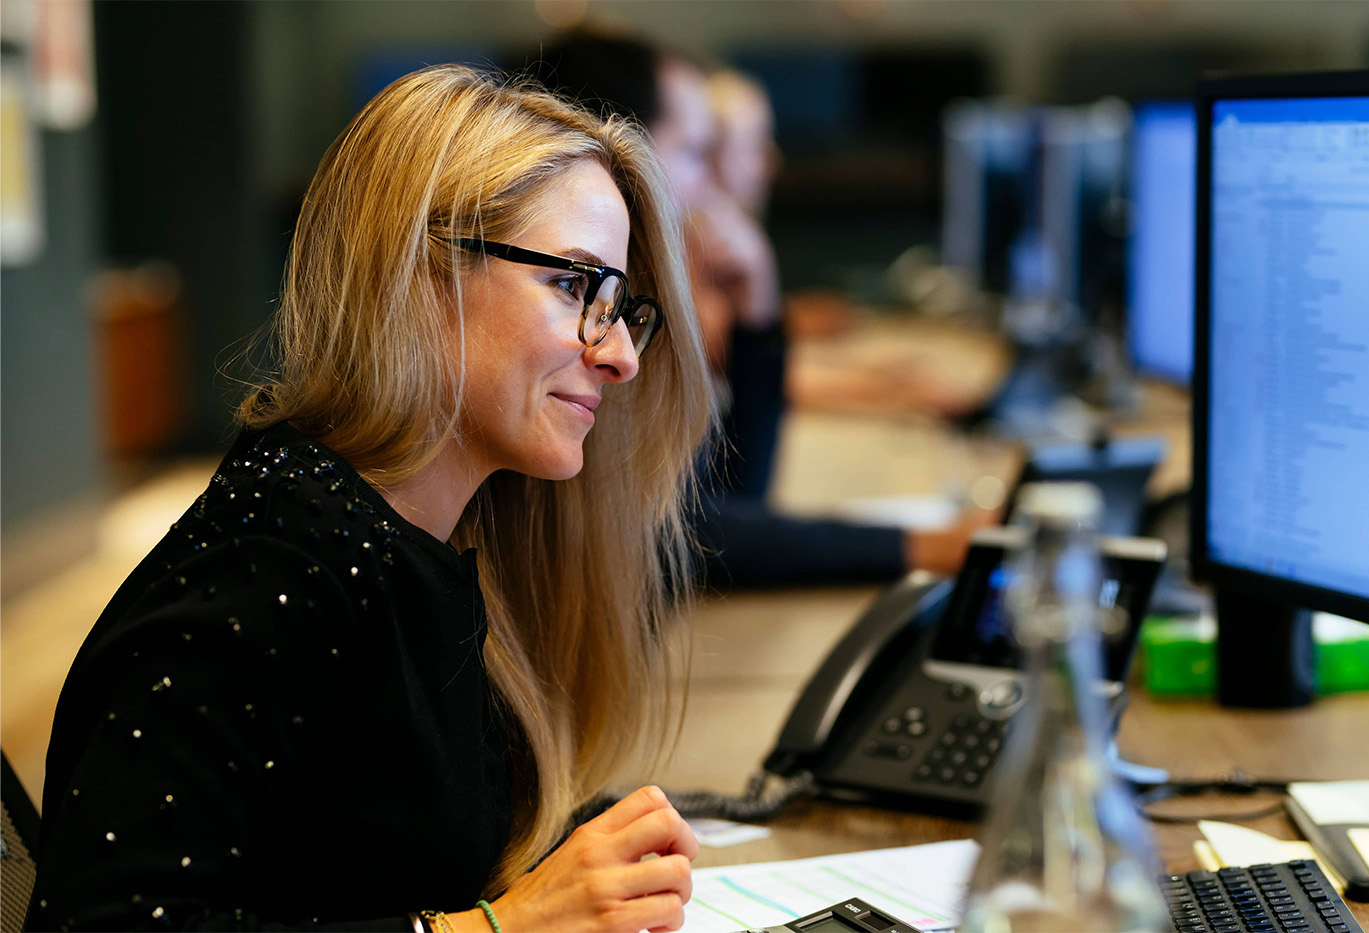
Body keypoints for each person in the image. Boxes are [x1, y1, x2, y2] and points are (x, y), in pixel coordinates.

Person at [27, 65, 714, 933]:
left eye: (620, 305)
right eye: (575, 286)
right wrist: (496, 928)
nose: (623, 356)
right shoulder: (276, 559)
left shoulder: (433, 540)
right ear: (418, 274)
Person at [533, 30, 997, 588]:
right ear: (609, 152)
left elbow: (733, 491)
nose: (716, 182)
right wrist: (916, 546)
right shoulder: (582, 327)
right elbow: (683, 531)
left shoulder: (625, 307)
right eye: (697, 153)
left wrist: (759, 311)